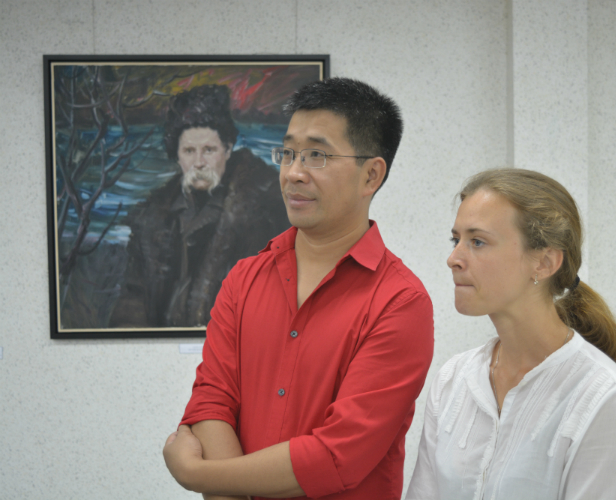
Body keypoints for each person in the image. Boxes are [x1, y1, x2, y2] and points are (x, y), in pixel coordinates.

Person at [162, 77, 434, 500]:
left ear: (371, 175)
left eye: (317, 156)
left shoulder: (400, 302)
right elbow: (213, 402)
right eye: (288, 153)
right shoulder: (244, 279)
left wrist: (197, 475)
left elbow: (337, 455)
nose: (292, 173)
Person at [406, 169, 616, 499]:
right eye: (455, 239)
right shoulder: (452, 380)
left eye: (477, 241)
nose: (453, 258)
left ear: (544, 263)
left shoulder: (604, 396)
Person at [110, 84, 289, 328]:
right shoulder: (152, 218)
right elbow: (134, 298)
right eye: (189, 151)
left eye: (209, 150)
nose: (199, 162)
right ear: (177, 156)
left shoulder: (264, 211)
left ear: (227, 150)